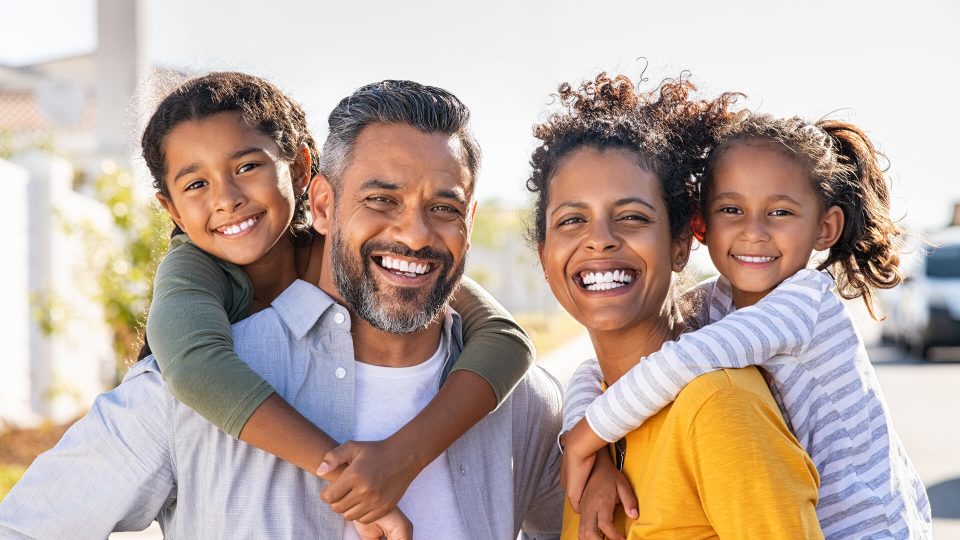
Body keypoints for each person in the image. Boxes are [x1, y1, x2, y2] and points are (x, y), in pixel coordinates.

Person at [0, 79, 563, 539]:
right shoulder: (180, 386)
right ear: (324, 204)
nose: (415, 235)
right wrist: (338, 468)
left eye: (443, 208)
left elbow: (505, 336)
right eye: (381, 199)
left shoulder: (521, 401)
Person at [139, 72, 536, 526]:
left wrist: (402, 456)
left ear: (299, 170)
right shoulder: (192, 269)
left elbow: (504, 339)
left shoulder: (348, 249)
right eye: (196, 184)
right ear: (171, 208)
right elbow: (194, 365)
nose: (227, 199)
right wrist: (344, 473)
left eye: (247, 167)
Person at [561, 89, 931, 538]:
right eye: (732, 209)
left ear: (825, 227)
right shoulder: (717, 304)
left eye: (780, 212)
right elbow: (594, 372)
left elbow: (678, 361)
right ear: (702, 225)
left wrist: (586, 437)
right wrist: (589, 447)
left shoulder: (803, 304)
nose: (754, 231)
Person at [529, 72, 822, 539]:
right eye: (572, 220)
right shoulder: (588, 433)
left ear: (681, 244)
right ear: (545, 258)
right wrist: (589, 443)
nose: (600, 239)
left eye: (632, 216)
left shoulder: (718, 405)